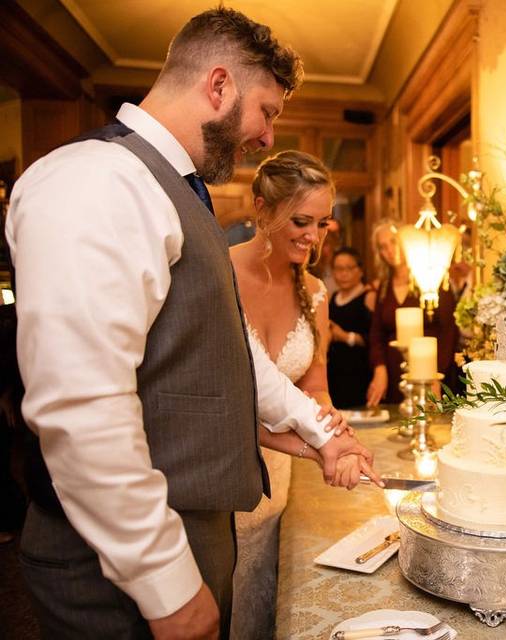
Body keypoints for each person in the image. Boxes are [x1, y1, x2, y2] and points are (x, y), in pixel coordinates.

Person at [4, 8, 381, 640]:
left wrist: (321, 431)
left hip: (190, 532)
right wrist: (168, 586)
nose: (266, 138)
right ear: (218, 85)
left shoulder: (173, 189)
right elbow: (82, 409)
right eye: (267, 111)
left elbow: (230, 354)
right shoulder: (97, 180)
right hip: (117, 566)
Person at [228, 149, 342, 639]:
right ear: (261, 209)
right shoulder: (218, 274)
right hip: (217, 476)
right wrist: (309, 443)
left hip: (277, 484)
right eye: (301, 220)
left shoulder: (314, 291)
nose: (313, 237)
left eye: (322, 223)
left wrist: (333, 428)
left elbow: (314, 386)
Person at [366, 220, 459, 406]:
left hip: (431, 371)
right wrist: (380, 368)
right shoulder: (384, 286)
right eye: (382, 247)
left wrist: (435, 375)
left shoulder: (432, 277)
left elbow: (449, 330)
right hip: (395, 374)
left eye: (393, 242)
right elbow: (377, 333)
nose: (390, 251)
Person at [327, 247, 375, 408]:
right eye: (338, 269)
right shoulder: (333, 298)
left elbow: (374, 340)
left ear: (360, 270)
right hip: (335, 373)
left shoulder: (368, 296)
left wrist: (346, 336)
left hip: (360, 374)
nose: (343, 274)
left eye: (349, 268)